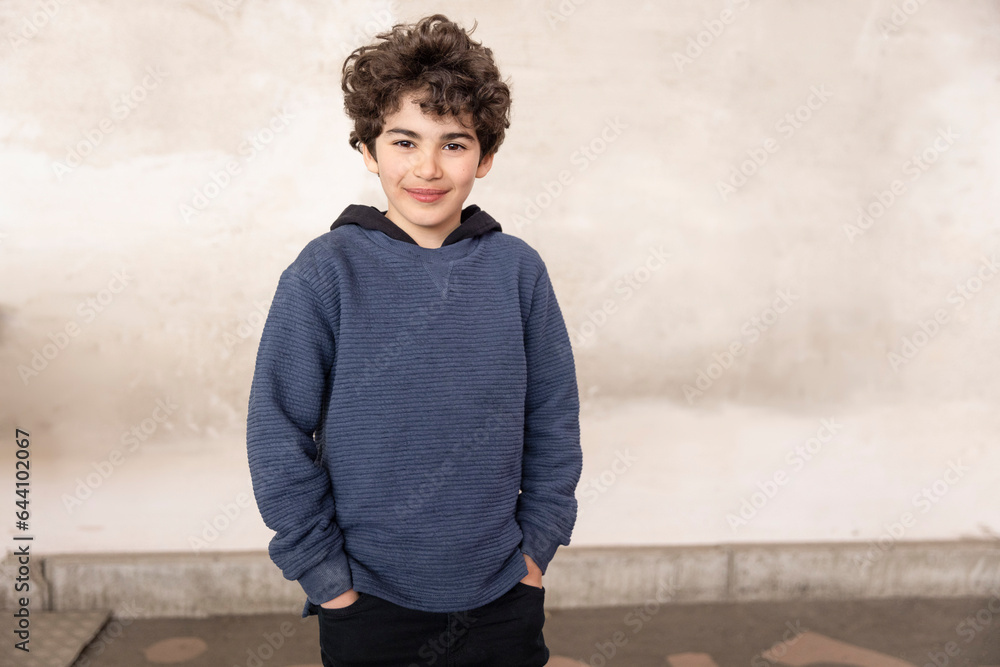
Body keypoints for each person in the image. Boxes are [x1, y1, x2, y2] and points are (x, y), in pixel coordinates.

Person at [246, 13, 582, 666]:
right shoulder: (326, 271)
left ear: (485, 156)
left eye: (454, 143)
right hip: (367, 599)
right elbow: (276, 432)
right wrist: (328, 580)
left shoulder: (518, 270)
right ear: (369, 151)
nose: (427, 167)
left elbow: (553, 420)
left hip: (502, 593)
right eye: (405, 141)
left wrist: (535, 553)